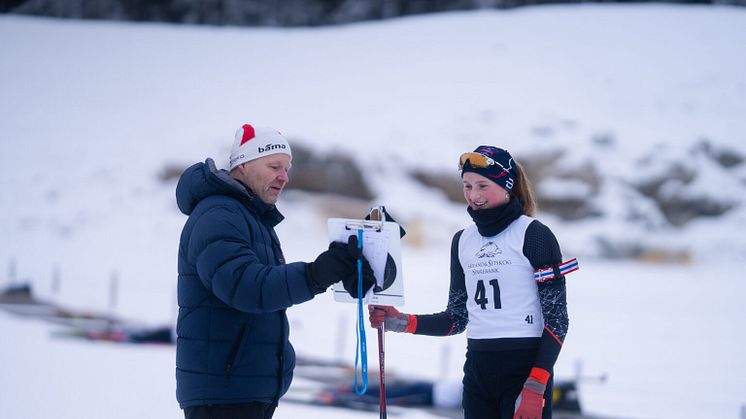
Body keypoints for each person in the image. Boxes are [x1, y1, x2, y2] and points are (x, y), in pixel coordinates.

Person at [175, 123, 375, 419]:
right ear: (243, 164)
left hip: (243, 391)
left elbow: (264, 295)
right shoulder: (218, 215)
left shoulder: (250, 218)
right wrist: (315, 274)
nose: (284, 177)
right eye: (274, 166)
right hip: (224, 397)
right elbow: (247, 287)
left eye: (287, 168)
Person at [369, 146, 574, 419]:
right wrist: (403, 322)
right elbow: (457, 318)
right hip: (478, 368)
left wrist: (536, 384)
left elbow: (557, 319)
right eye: (467, 185)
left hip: (524, 368)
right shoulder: (462, 241)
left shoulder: (533, 235)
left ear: (507, 186)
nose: (474, 195)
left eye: (482, 185)